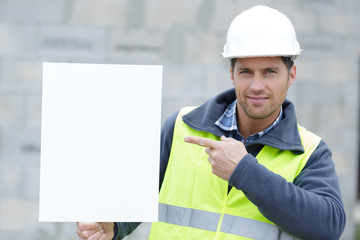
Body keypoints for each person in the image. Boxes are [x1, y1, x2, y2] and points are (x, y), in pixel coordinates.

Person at [76, 5, 346, 240]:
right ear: (231, 74)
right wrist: (114, 226)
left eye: (269, 72)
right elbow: (138, 198)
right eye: (246, 72)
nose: (256, 86)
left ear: (291, 75)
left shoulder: (309, 152)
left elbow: (328, 226)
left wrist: (244, 172)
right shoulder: (181, 126)